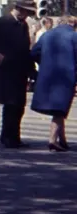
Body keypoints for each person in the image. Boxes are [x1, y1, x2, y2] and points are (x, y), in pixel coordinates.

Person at [0, 0, 37, 149]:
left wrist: (31, 71)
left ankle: (14, 137)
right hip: (5, 72)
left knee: (19, 106)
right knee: (11, 105)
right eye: (25, 11)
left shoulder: (23, 25)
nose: (26, 15)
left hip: (19, 72)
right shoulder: (1, 23)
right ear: (17, 8)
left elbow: (25, 50)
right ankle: (8, 137)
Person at [29, 15, 74, 152]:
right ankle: (52, 140)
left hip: (47, 76)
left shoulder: (47, 35)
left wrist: (44, 64)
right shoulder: (74, 37)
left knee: (59, 108)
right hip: (66, 77)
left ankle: (63, 140)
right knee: (61, 109)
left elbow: (34, 53)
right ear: (72, 24)